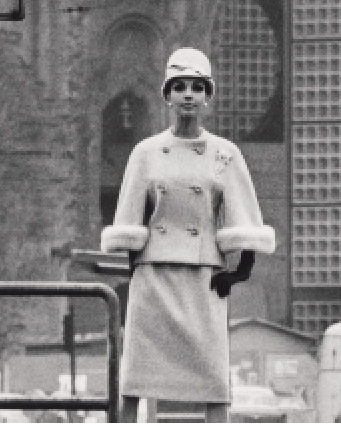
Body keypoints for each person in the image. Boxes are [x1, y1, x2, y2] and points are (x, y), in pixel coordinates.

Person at [101, 47, 276, 423]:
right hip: (154, 276)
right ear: (167, 95)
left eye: (197, 87)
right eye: (179, 87)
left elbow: (244, 217)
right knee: (135, 378)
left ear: (208, 96)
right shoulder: (145, 153)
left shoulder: (224, 155)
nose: (188, 95)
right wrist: (134, 273)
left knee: (212, 378)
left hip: (203, 276)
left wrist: (237, 272)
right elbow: (130, 220)